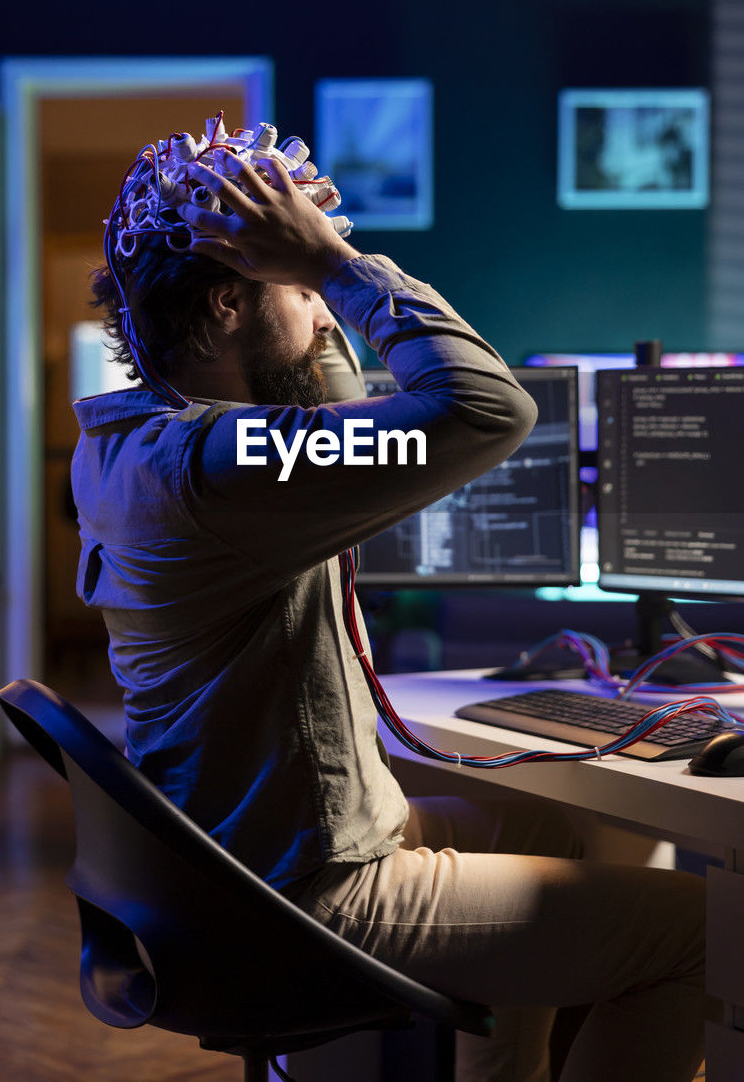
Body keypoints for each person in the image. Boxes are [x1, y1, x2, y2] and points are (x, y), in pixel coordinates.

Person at [71, 144, 711, 1082]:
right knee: (701, 935)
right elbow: (487, 408)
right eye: (297, 292)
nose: (327, 315)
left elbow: (330, 404)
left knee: (548, 834)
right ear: (226, 304)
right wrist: (332, 261)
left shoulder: (137, 439)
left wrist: (301, 282)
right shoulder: (214, 469)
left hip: (240, 856)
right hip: (305, 885)